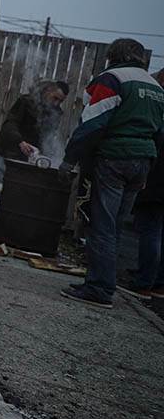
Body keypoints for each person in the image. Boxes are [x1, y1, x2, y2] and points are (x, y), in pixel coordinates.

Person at [59, 39, 164, 309]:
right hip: (143, 161)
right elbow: (160, 133)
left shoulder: (112, 79)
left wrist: (69, 160)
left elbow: (93, 124)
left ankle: (99, 289)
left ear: (113, 56)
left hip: (114, 159)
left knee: (102, 226)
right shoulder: (154, 87)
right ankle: (102, 281)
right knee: (115, 226)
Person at [0, 80, 69, 210]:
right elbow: (10, 124)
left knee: (18, 192)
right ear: (48, 91)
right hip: (6, 150)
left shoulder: (56, 113)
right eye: (55, 98)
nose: (56, 103)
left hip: (27, 157)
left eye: (60, 101)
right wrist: (20, 141)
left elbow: (48, 137)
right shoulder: (26, 102)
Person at [133, 68, 164, 298]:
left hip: (157, 180)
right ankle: (158, 283)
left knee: (150, 230)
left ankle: (144, 282)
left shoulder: (158, 108)